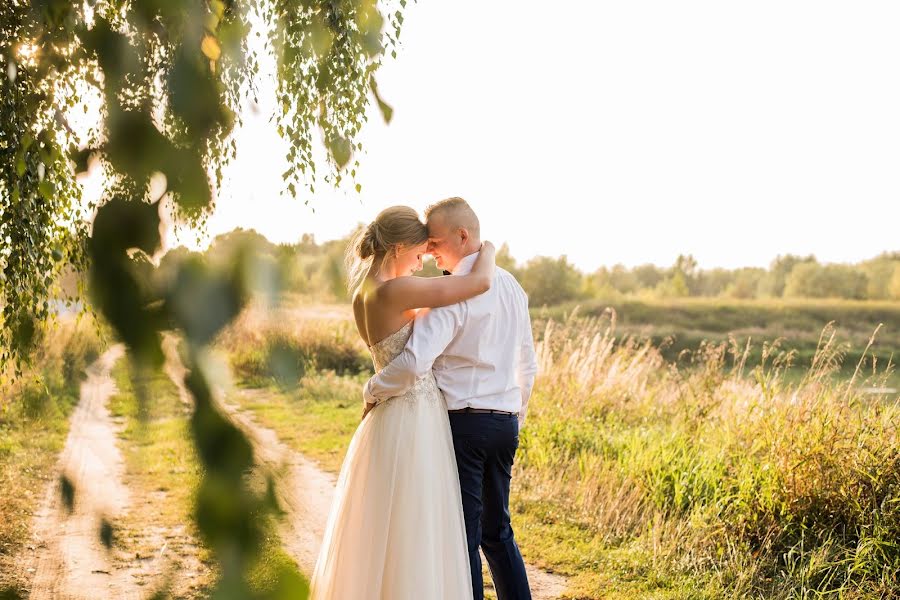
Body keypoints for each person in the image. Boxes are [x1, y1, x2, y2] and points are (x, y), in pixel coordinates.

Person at [309, 205, 496, 600]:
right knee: (415, 524)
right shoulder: (396, 290)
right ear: (397, 247)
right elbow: (478, 282)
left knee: (384, 527)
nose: (422, 261)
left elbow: (420, 295)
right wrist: (490, 246)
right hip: (414, 415)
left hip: (387, 416)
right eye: (419, 251)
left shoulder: (365, 290)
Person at [364, 197, 538, 600]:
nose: (430, 253)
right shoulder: (512, 286)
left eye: (436, 243)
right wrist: (515, 415)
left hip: (465, 425)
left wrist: (372, 390)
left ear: (462, 236)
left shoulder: (451, 295)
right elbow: (527, 365)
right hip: (505, 423)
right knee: (499, 534)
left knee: (463, 537)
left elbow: (414, 361)